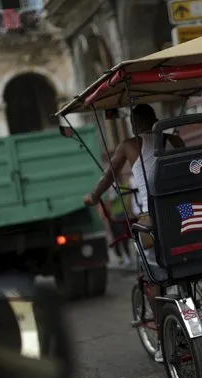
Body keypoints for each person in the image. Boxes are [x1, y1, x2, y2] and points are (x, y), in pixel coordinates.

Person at [83, 103, 184, 363]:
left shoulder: (130, 145)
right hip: (186, 216)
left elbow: (108, 177)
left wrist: (93, 196)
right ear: (156, 120)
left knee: (153, 280)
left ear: (133, 125)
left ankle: (163, 341)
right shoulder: (174, 139)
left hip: (157, 220)